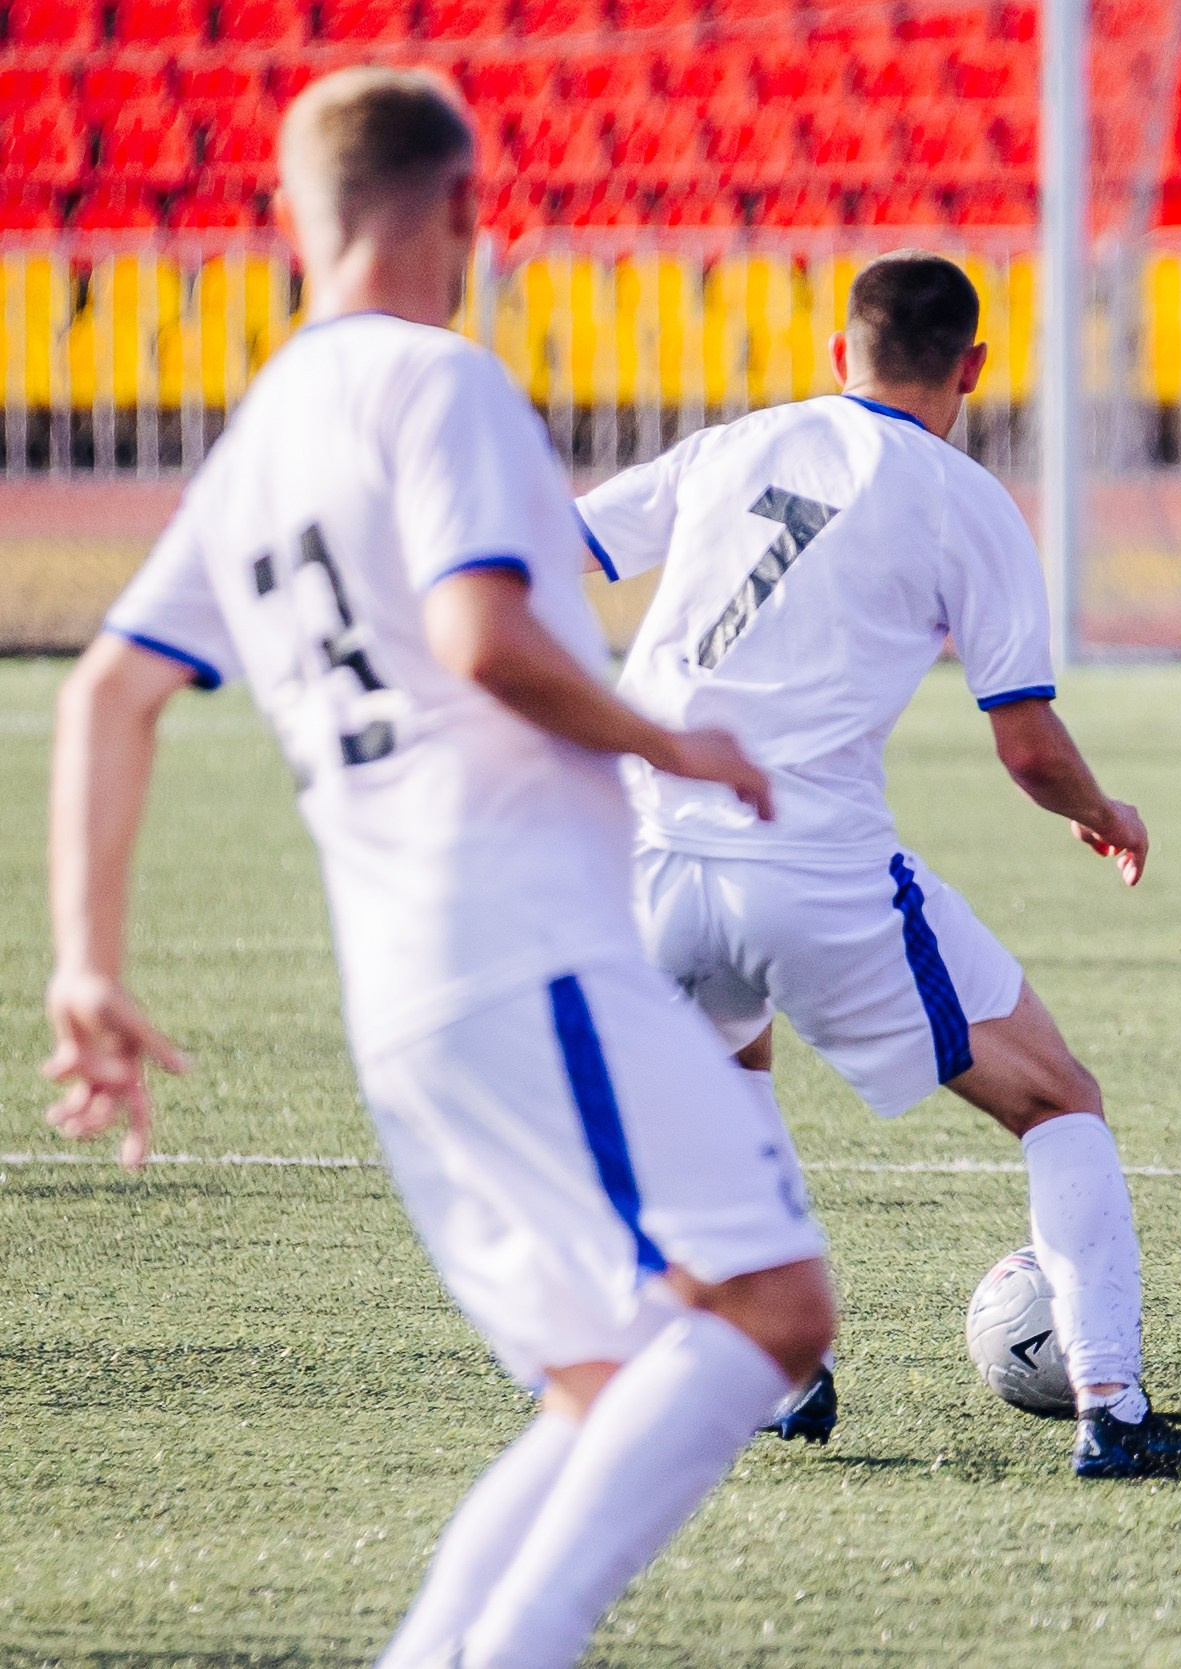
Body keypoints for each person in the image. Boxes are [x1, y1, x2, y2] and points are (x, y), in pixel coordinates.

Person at [42, 69, 839, 1667]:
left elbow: (108, 691)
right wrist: (671, 741)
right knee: (772, 1307)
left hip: (404, 988)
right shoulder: (439, 380)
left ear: (295, 218)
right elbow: (481, 636)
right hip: (525, 941)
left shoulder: (265, 433)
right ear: (468, 206)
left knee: (606, 1378)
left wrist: (87, 962)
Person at [573, 251, 1181, 1480]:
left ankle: (779, 1368)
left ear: (841, 353)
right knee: (1058, 1100)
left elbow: (552, 550)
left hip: (641, 854)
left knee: (731, 1061)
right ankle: (1112, 1406)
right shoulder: (964, 500)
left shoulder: (731, 445)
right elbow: (1028, 747)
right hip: (811, 865)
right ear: (973, 369)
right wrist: (1104, 811)